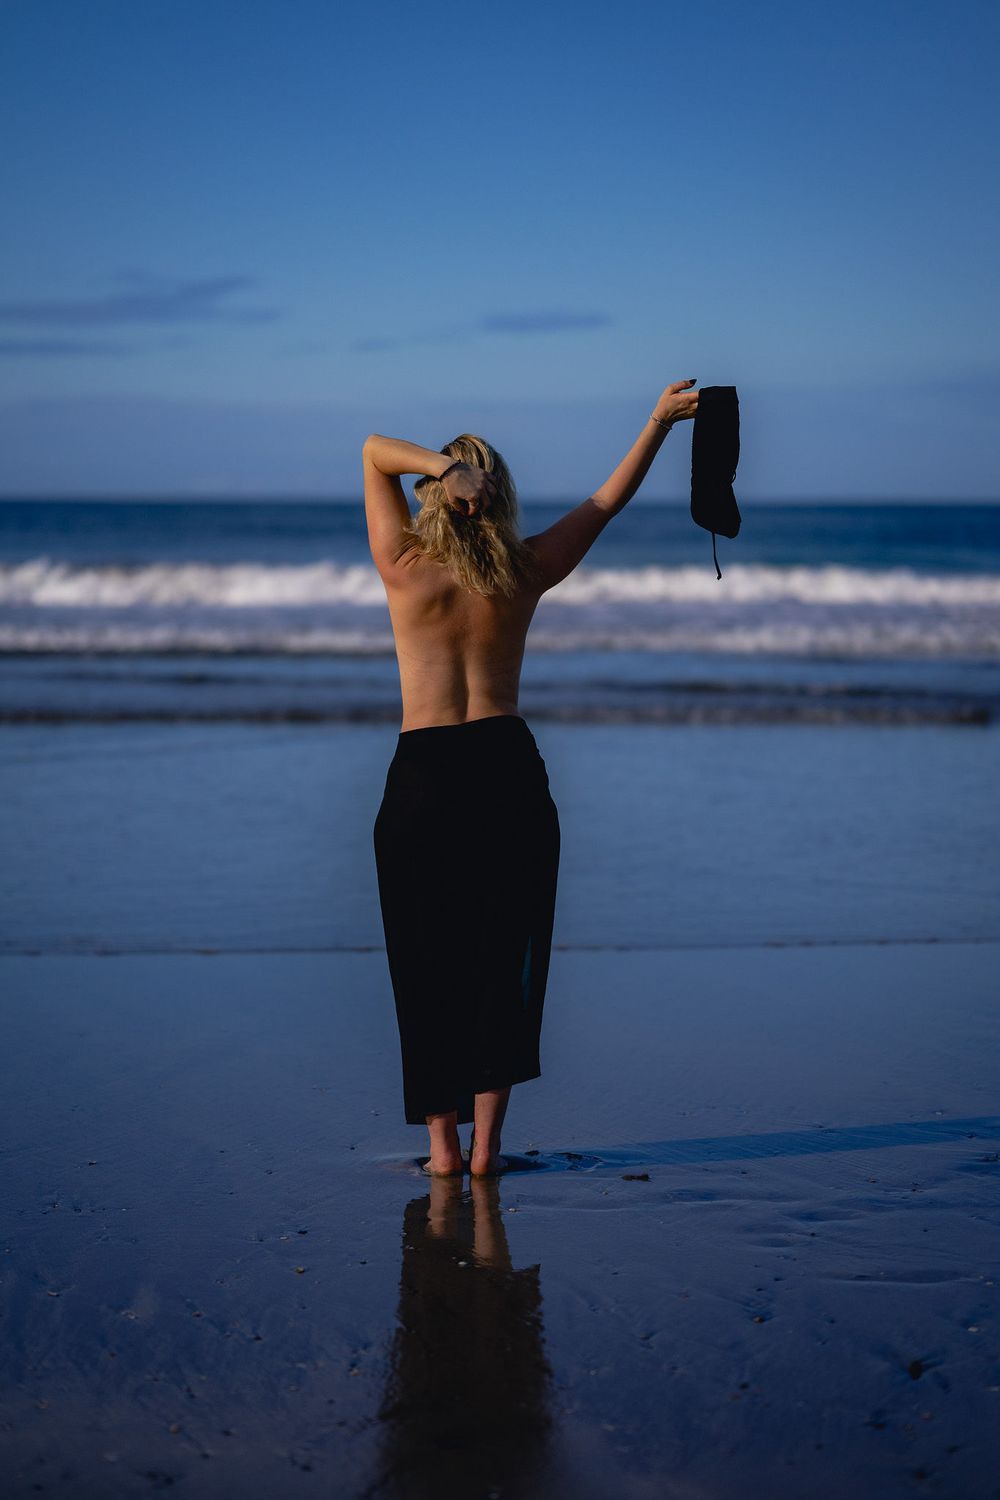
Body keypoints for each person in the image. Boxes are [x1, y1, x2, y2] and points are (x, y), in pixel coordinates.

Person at [365, 378, 700, 1178]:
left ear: (437, 495)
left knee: (427, 963)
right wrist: (655, 421)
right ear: (499, 494)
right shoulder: (523, 572)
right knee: (503, 958)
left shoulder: (403, 569)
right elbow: (604, 503)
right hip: (506, 772)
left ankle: (443, 1148)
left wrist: (443, 465)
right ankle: (489, 1150)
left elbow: (372, 452)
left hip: (423, 777)